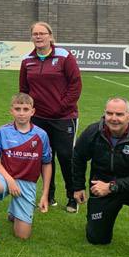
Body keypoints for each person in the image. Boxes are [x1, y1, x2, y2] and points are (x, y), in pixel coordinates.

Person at [72, 97, 129, 257]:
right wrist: (77, 187)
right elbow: (78, 156)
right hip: (101, 189)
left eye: (119, 114)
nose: (114, 118)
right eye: (109, 113)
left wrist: (111, 186)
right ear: (104, 114)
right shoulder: (93, 132)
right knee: (97, 239)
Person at [0, 93, 52, 246]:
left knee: (22, 236)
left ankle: (14, 211)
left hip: (27, 183)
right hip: (5, 178)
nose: (21, 113)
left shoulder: (41, 135)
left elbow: (46, 163)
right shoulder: (3, 131)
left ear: (32, 111)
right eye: (17, 109)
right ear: (11, 111)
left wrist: (45, 195)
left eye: (25, 109)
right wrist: (9, 179)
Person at [18, 21, 82, 213]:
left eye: (42, 33)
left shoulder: (64, 56)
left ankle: (72, 197)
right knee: (45, 157)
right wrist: (29, 111)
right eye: (35, 34)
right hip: (39, 118)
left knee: (65, 156)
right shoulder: (27, 60)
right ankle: (49, 194)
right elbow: (24, 90)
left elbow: (75, 84)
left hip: (64, 117)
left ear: (50, 36)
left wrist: (62, 107)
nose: (38, 37)